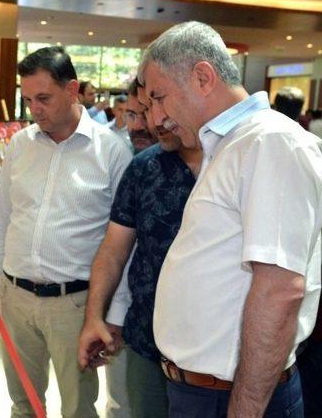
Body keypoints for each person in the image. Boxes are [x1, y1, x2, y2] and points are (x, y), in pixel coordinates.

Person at [138, 21, 322, 416]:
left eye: (159, 98)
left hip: (231, 397)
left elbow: (280, 289)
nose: (155, 118)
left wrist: (244, 409)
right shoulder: (231, 144)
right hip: (205, 391)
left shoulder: (269, 141)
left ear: (203, 77)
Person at [0, 46, 132, 418]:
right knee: (23, 405)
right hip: (16, 297)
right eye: (28, 99)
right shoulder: (20, 145)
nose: (35, 109)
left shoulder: (112, 152)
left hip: (75, 306)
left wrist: (112, 314)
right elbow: (2, 219)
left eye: (44, 98)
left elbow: (126, 245)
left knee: (78, 408)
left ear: (71, 90)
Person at [78, 76, 202, 417]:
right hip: (146, 343)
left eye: (157, 105)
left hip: (211, 354)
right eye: (142, 110)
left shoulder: (228, 162)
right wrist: (96, 316)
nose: (151, 121)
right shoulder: (143, 167)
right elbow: (114, 250)